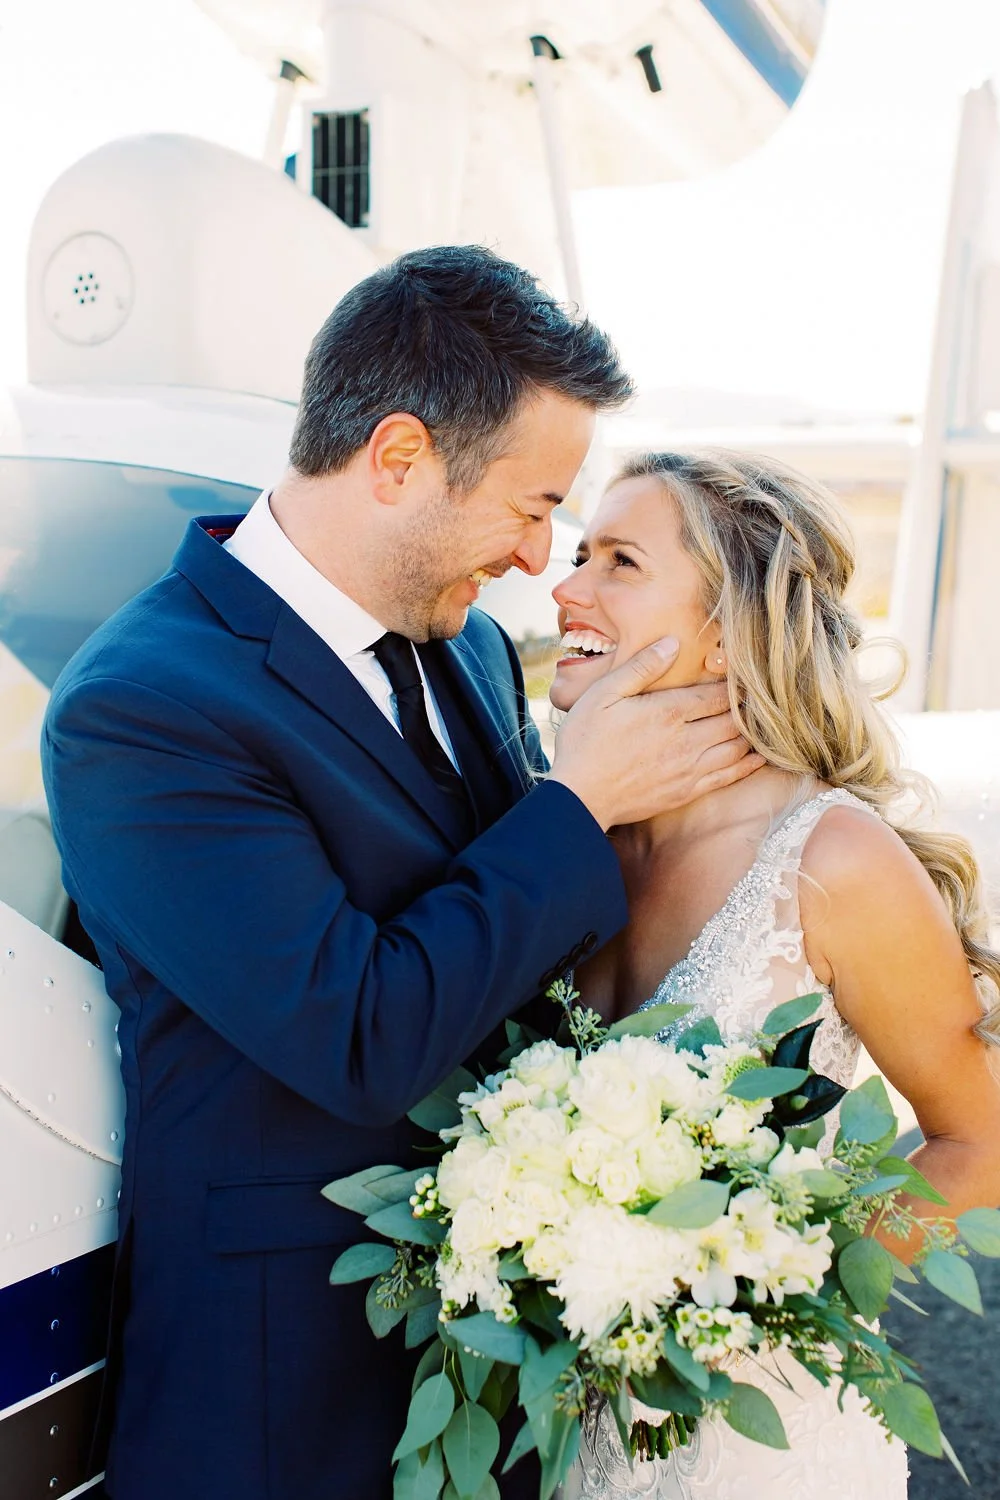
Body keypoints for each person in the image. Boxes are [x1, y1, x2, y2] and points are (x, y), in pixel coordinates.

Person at [40, 250, 761, 1500]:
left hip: (505, 1359)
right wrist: (578, 801)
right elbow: (356, 1032)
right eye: (531, 504)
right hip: (284, 1393)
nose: (542, 559)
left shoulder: (469, 642)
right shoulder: (142, 709)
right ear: (398, 460)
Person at [548, 448, 1000, 1500]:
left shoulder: (830, 860)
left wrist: (770, 1287)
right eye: (579, 553)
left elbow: (979, 1136)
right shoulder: (565, 835)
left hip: (763, 1441)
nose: (567, 588)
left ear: (727, 627)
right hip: (574, 1428)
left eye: (618, 560)